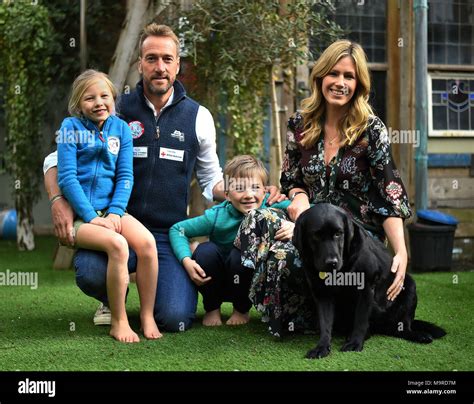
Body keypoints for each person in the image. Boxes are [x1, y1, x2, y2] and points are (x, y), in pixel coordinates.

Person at [43, 23, 283, 332]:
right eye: (151, 58)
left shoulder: (198, 116)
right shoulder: (116, 109)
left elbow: (211, 180)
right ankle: (112, 298)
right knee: (89, 271)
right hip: (119, 223)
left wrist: (251, 191)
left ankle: (151, 304)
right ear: (140, 62)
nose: (160, 67)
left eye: (167, 59)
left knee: (174, 318)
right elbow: (57, 158)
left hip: (166, 233)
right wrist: (56, 199)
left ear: (178, 64)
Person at [235, 39, 412, 337]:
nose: (340, 83)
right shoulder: (299, 124)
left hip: (352, 237)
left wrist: (401, 251)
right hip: (310, 228)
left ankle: (304, 313)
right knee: (256, 220)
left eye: (349, 76)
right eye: (334, 74)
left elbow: (390, 194)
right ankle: (260, 303)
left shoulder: (372, 130)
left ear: (359, 84)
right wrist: (301, 203)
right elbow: (292, 180)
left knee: (284, 257)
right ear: (320, 77)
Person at [57, 69, 161, 343]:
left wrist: (115, 211)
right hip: (82, 217)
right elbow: (67, 178)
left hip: (111, 209)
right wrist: (91, 216)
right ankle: (119, 320)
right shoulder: (70, 128)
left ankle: (147, 315)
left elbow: (125, 176)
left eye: (105, 96)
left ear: (114, 99)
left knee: (148, 243)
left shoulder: (121, 129)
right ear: (79, 104)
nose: (99, 102)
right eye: (90, 98)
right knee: (118, 245)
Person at [169, 155, 293, 327]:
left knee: (240, 255)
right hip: (217, 280)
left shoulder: (271, 206)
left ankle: (241, 309)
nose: (249, 195)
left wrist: (295, 225)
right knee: (205, 251)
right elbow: (178, 229)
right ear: (227, 194)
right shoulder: (217, 216)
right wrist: (186, 259)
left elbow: (307, 210)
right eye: (240, 188)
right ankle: (212, 308)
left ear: (265, 191)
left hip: (249, 281)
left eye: (255, 187)